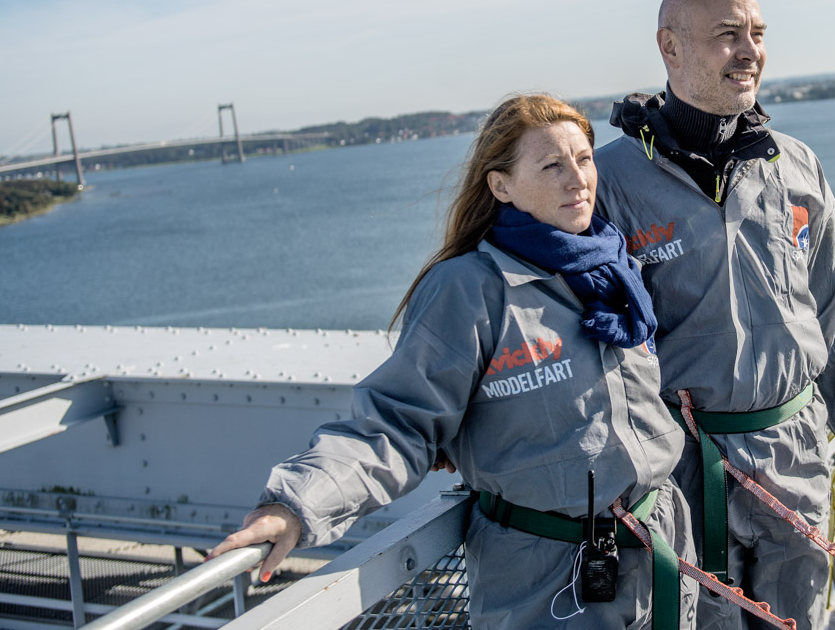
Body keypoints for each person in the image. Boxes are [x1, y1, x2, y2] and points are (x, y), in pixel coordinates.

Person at [209, 94, 698, 629]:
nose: (578, 179)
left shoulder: (615, 273)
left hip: (661, 557)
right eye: (552, 165)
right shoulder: (469, 290)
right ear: (500, 186)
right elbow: (397, 421)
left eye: (584, 159)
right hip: (550, 584)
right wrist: (296, 506)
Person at [594, 0, 835, 629]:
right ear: (669, 48)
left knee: (798, 620)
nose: (751, 51)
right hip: (684, 468)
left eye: (757, 34)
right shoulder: (609, 184)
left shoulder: (796, 166)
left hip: (796, 453)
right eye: (727, 35)